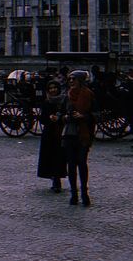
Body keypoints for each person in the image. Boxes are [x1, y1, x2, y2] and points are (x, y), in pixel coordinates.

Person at [61, 70, 95, 205]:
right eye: (69, 79)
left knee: (82, 162)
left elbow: (97, 114)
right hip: (69, 133)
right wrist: (63, 117)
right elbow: (60, 112)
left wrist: (84, 117)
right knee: (71, 164)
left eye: (73, 79)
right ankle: (73, 193)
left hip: (83, 133)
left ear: (80, 81)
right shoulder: (67, 96)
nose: (71, 82)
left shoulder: (89, 95)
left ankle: (84, 193)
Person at [37, 79, 67, 192]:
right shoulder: (46, 102)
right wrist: (49, 119)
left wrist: (59, 118)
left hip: (59, 132)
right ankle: (54, 177)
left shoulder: (63, 101)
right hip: (49, 132)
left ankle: (57, 178)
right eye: (51, 88)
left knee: (59, 156)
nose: (53, 90)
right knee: (50, 156)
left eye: (55, 88)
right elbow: (42, 119)